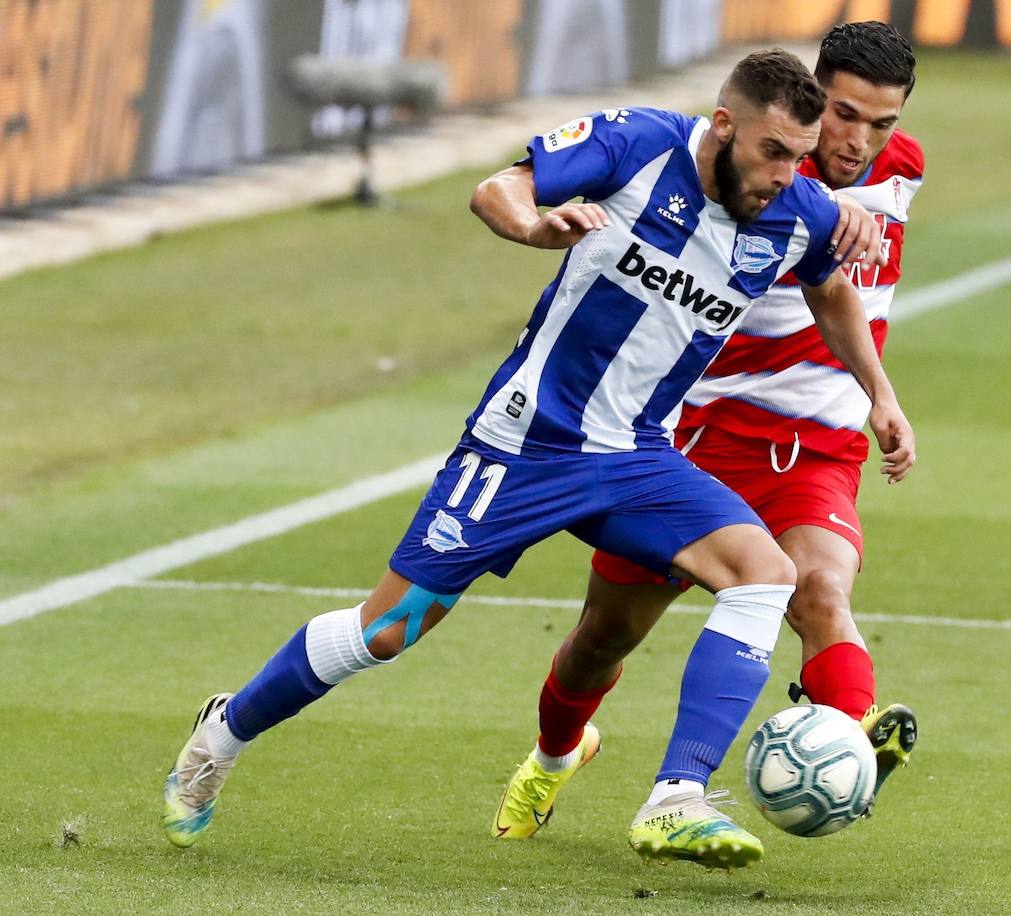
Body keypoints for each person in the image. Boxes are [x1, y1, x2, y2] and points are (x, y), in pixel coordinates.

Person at [159, 47, 913, 851]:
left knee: (766, 576)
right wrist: (534, 224)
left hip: (635, 455)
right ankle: (224, 731)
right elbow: (500, 189)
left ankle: (676, 796)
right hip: (524, 443)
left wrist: (879, 392)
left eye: (799, 158)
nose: (784, 175)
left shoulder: (796, 209)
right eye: (772, 152)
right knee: (389, 630)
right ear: (724, 125)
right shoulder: (638, 143)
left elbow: (830, 283)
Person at [491, 22, 924, 870]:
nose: (859, 141)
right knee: (601, 641)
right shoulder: (753, 177)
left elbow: (847, 297)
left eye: (881, 122)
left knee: (820, 592)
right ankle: (554, 757)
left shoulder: (900, 169)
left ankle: (845, 746)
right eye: (844, 115)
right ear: (811, 95)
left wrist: (881, 396)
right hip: (690, 437)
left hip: (813, 445)